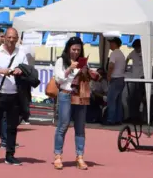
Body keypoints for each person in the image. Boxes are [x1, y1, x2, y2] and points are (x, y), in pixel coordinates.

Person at [0, 27, 33, 166]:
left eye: (14, 38)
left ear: (17, 39)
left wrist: (19, 71)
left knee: (12, 127)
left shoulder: (21, 53)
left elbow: (27, 71)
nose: (11, 40)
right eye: (9, 37)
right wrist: (0, 71)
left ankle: (9, 155)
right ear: (4, 37)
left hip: (15, 94)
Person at [52, 36, 99, 171]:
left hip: (80, 96)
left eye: (78, 50)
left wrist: (87, 72)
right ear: (68, 49)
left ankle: (79, 156)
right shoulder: (61, 61)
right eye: (73, 49)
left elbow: (87, 79)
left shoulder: (83, 62)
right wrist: (69, 69)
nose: (76, 52)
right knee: (63, 125)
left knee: (80, 127)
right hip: (65, 94)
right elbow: (59, 80)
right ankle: (58, 155)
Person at [104, 37, 126, 125]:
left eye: (111, 43)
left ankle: (110, 119)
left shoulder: (114, 53)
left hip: (115, 78)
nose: (110, 45)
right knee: (118, 101)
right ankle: (118, 119)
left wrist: (108, 75)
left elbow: (111, 65)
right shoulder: (121, 54)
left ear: (114, 44)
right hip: (121, 78)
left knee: (111, 100)